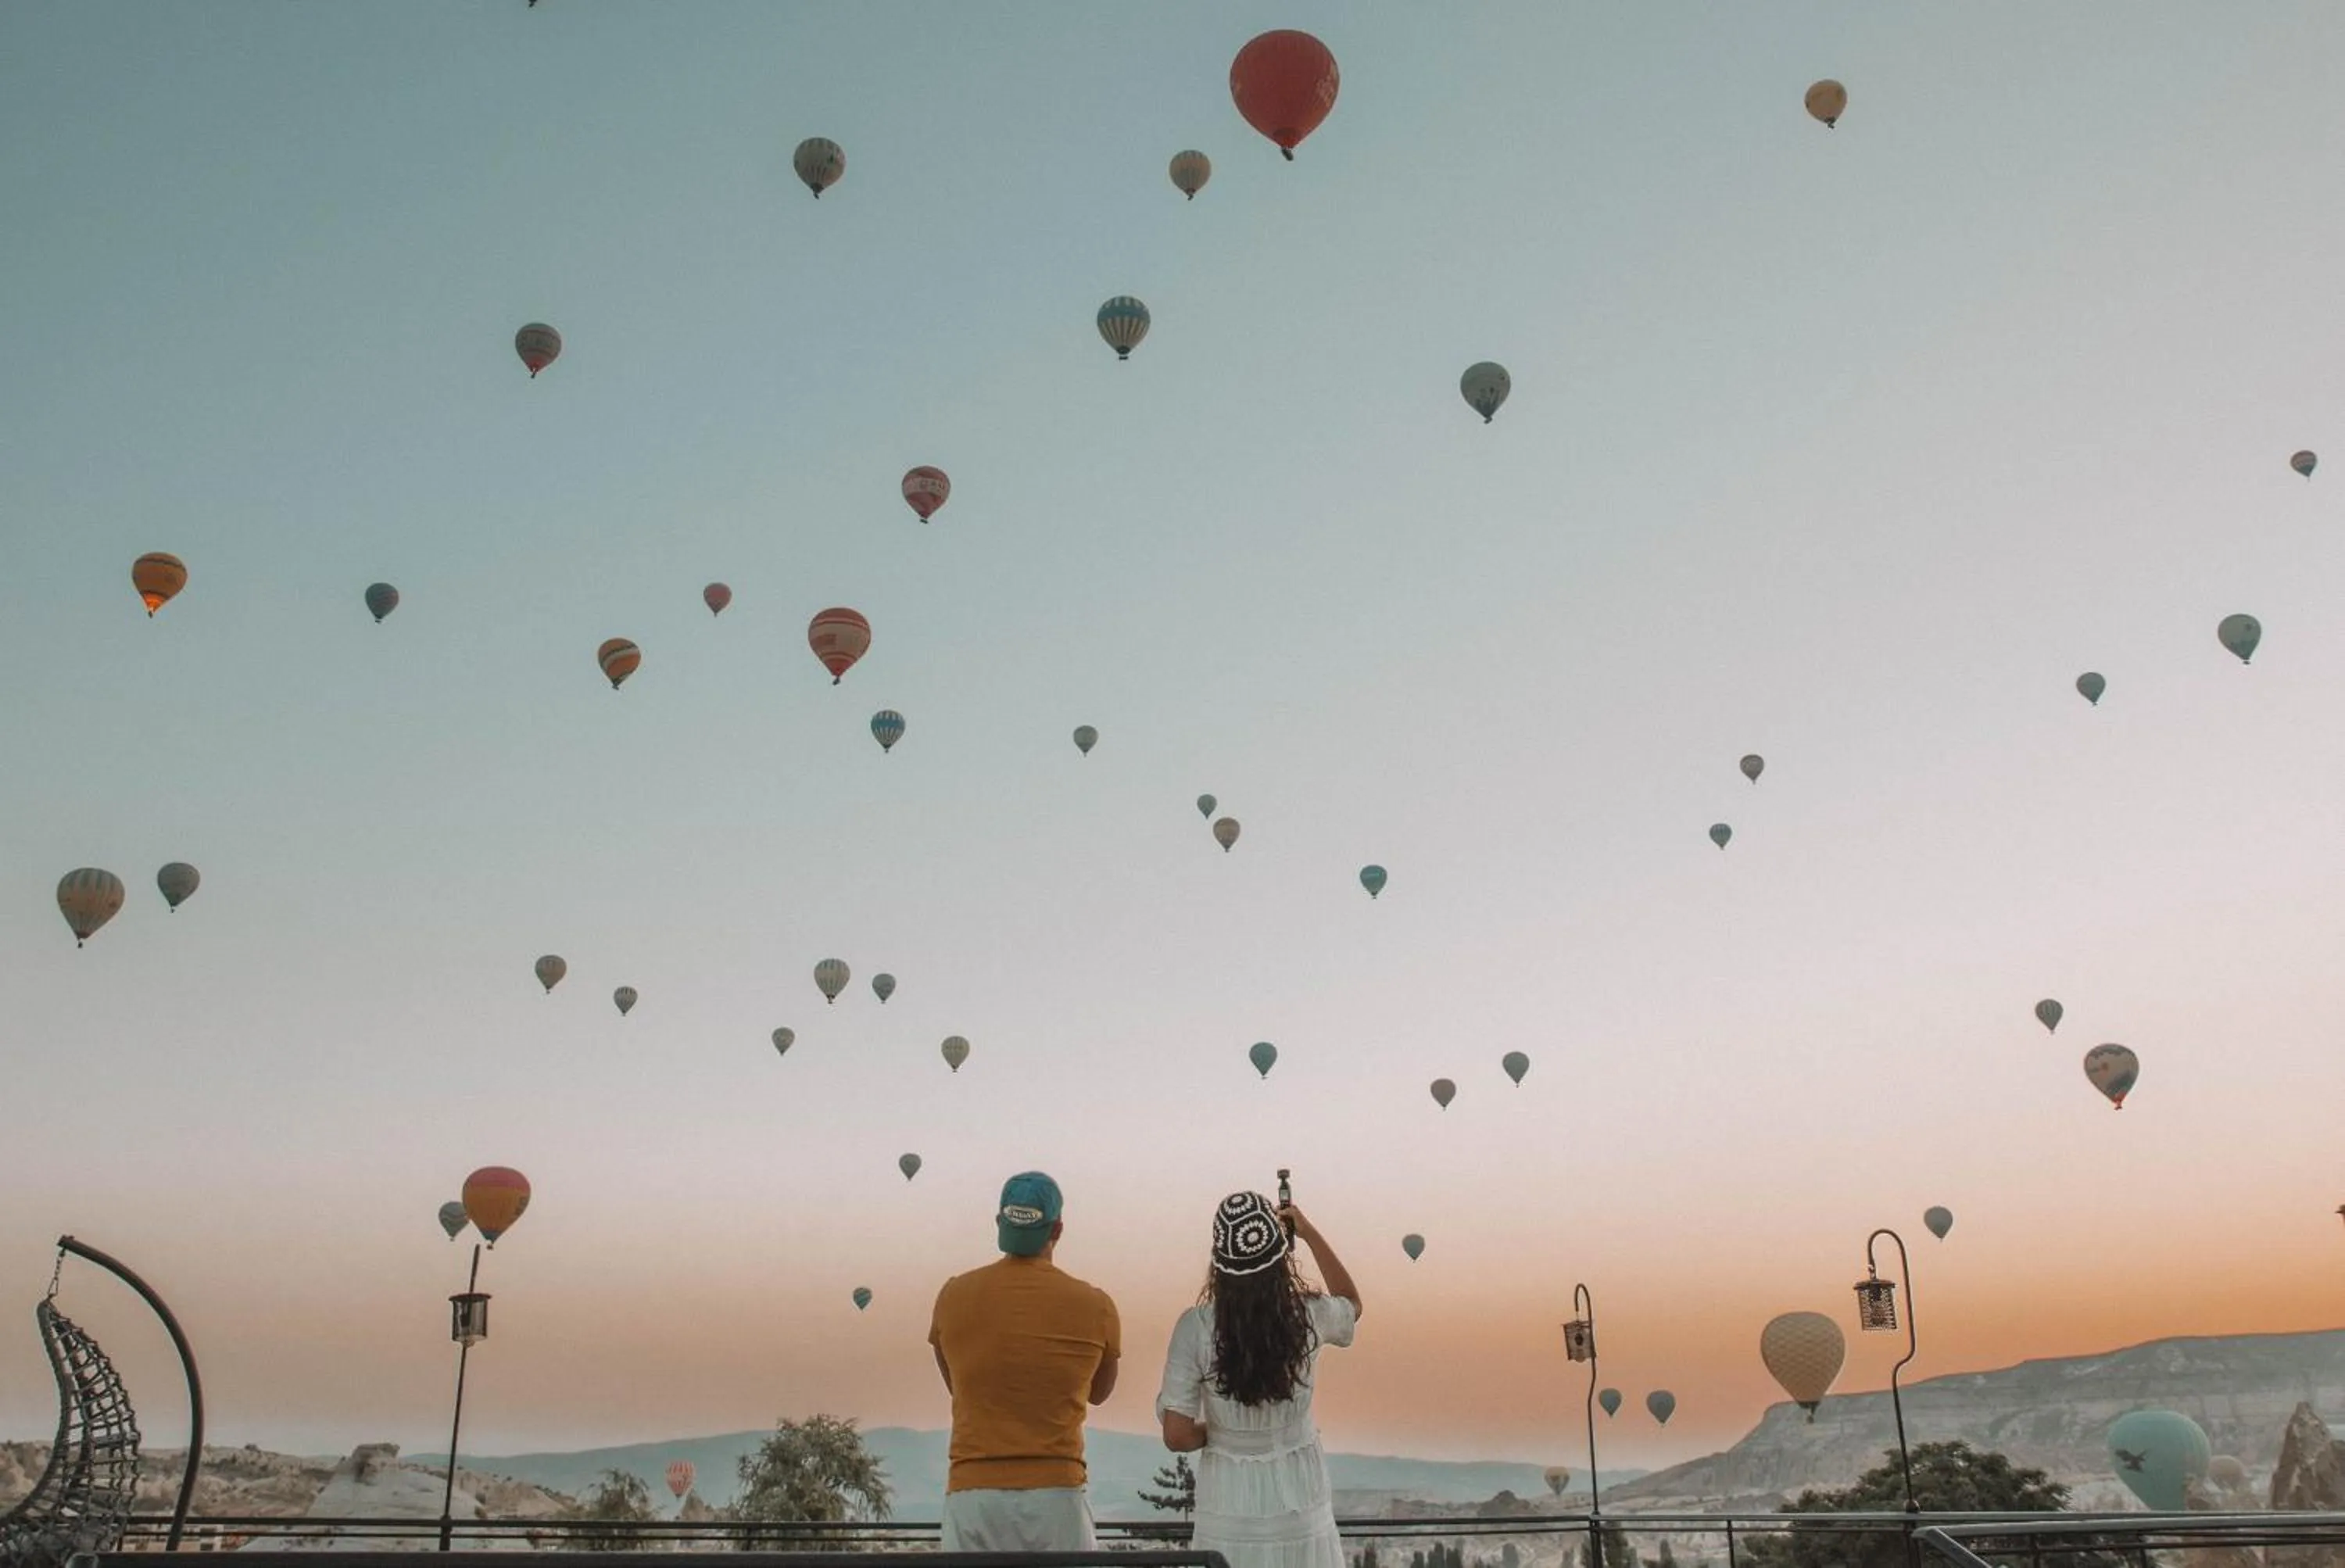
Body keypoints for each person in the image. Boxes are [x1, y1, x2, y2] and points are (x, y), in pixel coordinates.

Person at [1156, 1192, 1362, 1568]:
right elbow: (1351, 1303)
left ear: (1219, 1264)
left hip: (1229, 1506)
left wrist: (1221, 1431)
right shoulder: (1308, 1316)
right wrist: (1309, 1231)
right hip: (1300, 1498)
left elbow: (1177, 1435)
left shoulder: (1195, 1328)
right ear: (1280, 1258)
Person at [929, 1170, 1121, 1550]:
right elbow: (1099, 1393)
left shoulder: (952, 1296)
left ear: (999, 1222)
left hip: (973, 1495)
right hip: (1056, 1495)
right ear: (1058, 1230)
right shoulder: (1095, 1304)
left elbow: (958, 1387)